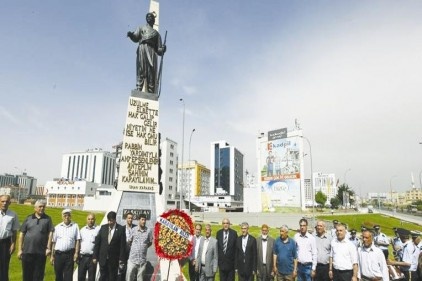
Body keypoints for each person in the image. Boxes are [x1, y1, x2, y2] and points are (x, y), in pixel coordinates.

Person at [127, 12, 166, 93]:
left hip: (152, 51)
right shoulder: (141, 28)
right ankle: (138, 88)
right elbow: (136, 37)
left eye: (151, 16)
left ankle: (151, 91)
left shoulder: (157, 34)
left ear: (154, 20)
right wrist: (131, 35)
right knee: (140, 69)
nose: (149, 17)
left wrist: (163, 49)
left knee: (151, 72)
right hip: (142, 49)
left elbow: (159, 50)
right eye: (148, 16)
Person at [18, 199, 54, 281]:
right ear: (35, 208)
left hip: (40, 253)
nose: (42, 208)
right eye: (40, 207)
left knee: (38, 276)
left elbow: (50, 233)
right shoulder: (28, 218)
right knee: (27, 276)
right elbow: (22, 234)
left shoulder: (48, 219)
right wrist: (20, 250)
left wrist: (48, 248)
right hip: (27, 252)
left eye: (43, 207)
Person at [93, 211, 127, 281]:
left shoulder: (120, 229)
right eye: (108, 220)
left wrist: (121, 259)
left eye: (111, 221)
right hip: (103, 259)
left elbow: (122, 246)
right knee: (102, 277)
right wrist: (95, 256)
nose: (109, 222)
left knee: (112, 277)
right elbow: (97, 243)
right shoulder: (103, 228)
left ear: (115, 220)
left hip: (114, 259)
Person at [51, 208, 81, 281]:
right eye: (65, 215)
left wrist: (76, 253)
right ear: (62, 216)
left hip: (69, 255)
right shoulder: (57, 227)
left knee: (68, 276)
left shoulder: (75, 226)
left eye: (68, 215)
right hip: (58, 255)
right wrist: (52, 255)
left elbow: (77, 240)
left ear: (70, 216)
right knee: (58, 275)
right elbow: (54, 242)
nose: (66, 217)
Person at [126, 213, 152, 281]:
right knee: (129, 278)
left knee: (140, 279)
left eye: (145, 220)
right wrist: (135, 248)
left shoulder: (148, 231)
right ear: (139, 220)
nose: (144, 221)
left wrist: (143, 247)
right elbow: (129, 242)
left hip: (142, 261)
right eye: (142, 219)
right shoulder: (133, 230)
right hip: (132, 260)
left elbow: (150, 242)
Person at [0, 195, 19, 281]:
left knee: (4, 265)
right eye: (2, 201)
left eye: (6, 201)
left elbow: (14, 231)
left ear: (10, 203)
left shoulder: (13, 215)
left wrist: (13, 244)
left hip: (5, 243)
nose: (4, 203)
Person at [78, 213, 100, 281]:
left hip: (92, 258)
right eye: (89, 219)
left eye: (92, 219)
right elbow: (78, 243)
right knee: (81, 277)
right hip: (82, 257)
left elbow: (99, 244)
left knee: (91, 278)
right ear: (86, 220)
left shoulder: (98, 229)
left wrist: (96, 257)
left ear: (95, 220)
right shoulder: (82, 230)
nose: (90, 221)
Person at [120, 212, 136, 281]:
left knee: (131, 270)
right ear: (126, 219)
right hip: (124, 252)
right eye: (129, 218)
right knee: (123, 269)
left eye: (131, 218)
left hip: (133, 252)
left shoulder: (135, 228)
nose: (130, 219)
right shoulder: (122, 228)